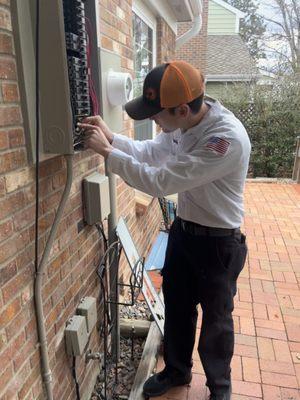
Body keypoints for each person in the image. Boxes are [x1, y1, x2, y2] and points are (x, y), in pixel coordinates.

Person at [78, 60, 250, 400]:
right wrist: (113, 139)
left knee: (217, 321)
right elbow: (150, 153)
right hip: (184, 233)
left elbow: (161, 180)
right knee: (177, 305)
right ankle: (176, 370)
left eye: (158, 115)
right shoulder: (183, 125)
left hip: (219, 243)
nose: (155, 121)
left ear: (182, 109)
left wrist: (108, 153)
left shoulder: (225, 140)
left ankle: (220, 388)